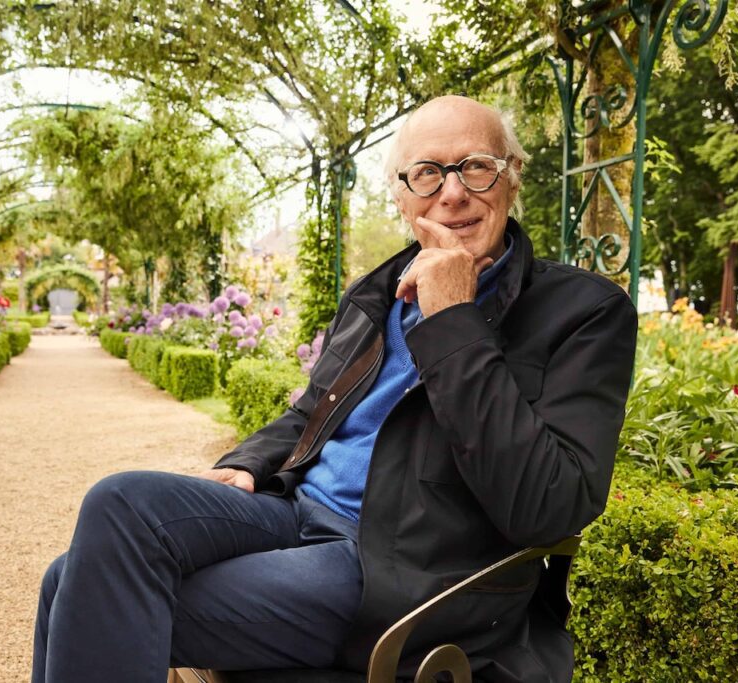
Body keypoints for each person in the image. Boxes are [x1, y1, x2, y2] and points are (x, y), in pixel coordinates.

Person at [31, 95, 638, 683]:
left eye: (476, 167)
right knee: (119, 501)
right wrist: (249, 462)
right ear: (403, 197)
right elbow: (312, 411)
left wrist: (453, 317)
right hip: (296, 512)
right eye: (428, 174)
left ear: (511, 179)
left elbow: (550, 505)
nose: (453, 193)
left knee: (74, 587)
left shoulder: (583, 313)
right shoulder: (374, 294)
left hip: (406, 571)